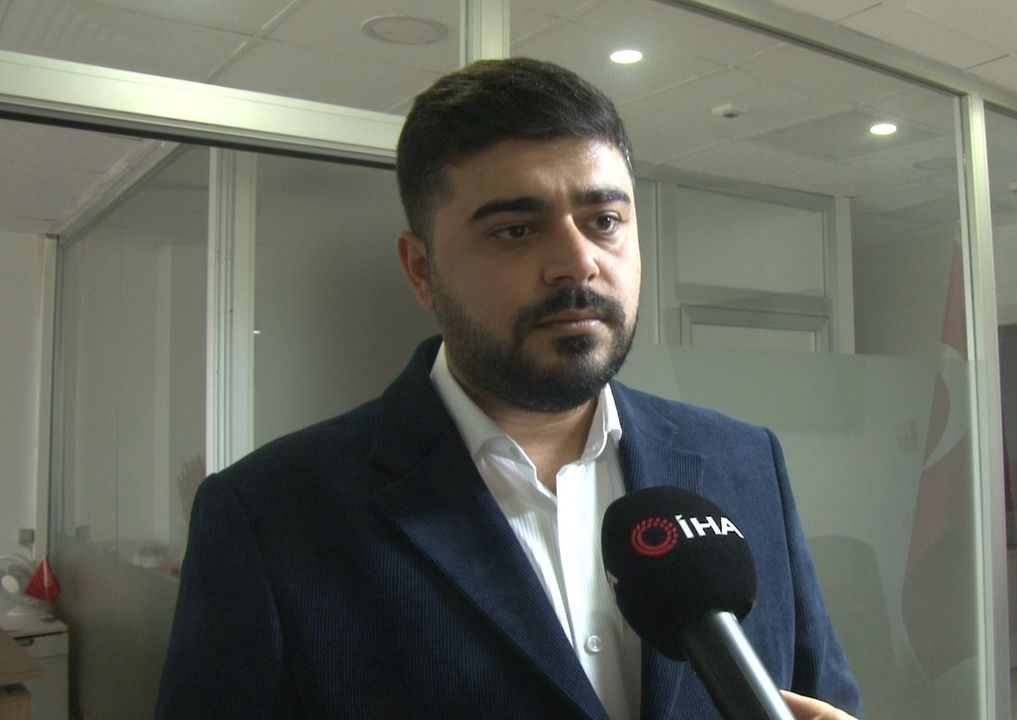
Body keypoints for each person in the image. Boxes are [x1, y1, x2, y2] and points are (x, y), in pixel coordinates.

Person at [156, 57, 860, 720]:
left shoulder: (745, 463)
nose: (577, 262)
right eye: (516, 230)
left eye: (605, 221)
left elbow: (821, 695)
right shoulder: (270, 518)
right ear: (421, 269)